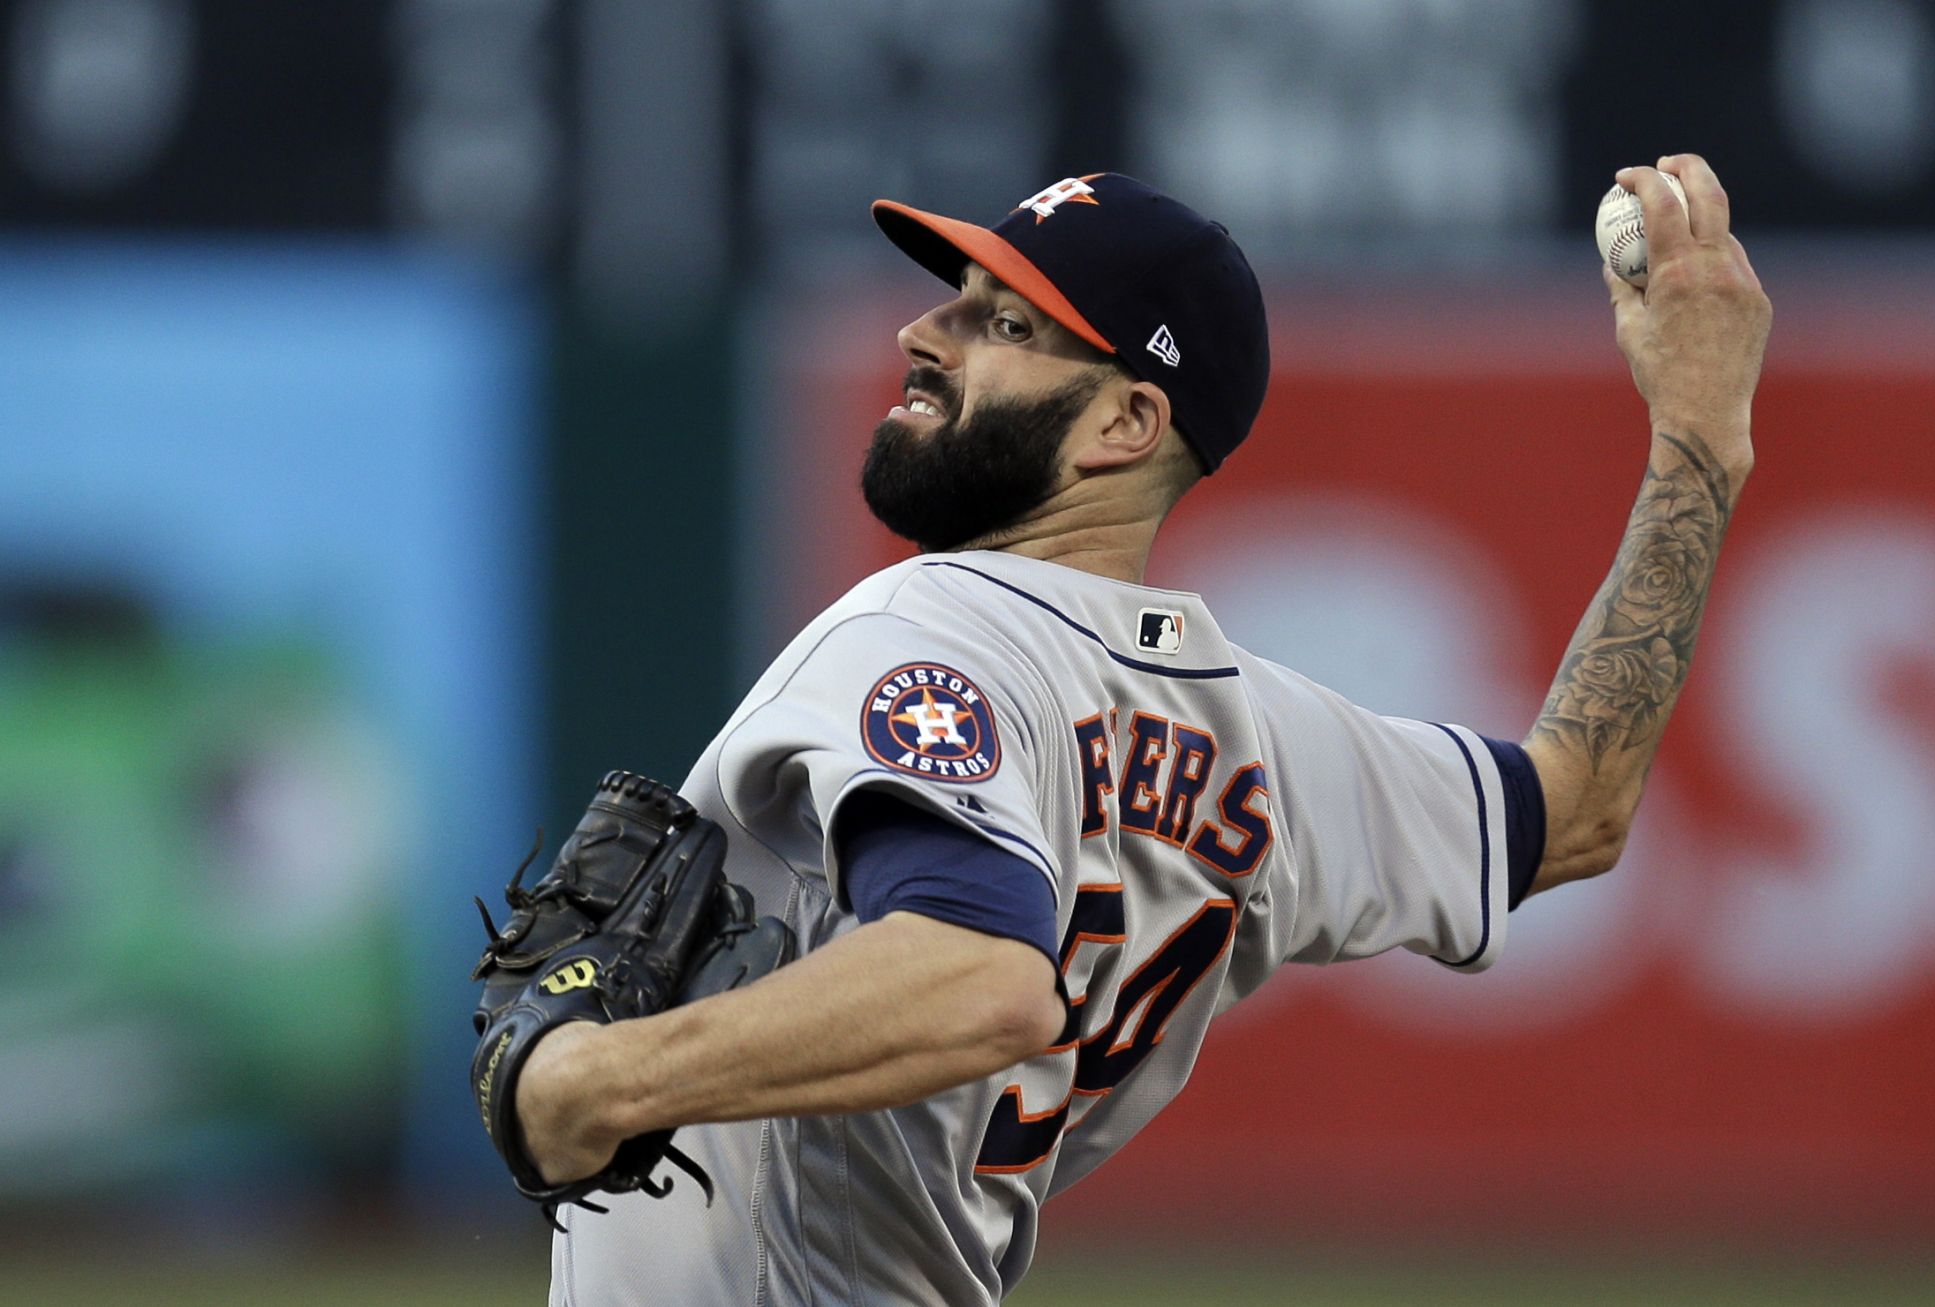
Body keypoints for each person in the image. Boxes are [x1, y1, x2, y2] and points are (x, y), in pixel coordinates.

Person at [515, 159, 1771, 1306]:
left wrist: (605, 1081)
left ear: (1123, 425)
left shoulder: (922, 628)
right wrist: (1698, 445)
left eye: (1001, 325)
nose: (921, 332)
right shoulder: (1250, 730)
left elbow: (982, 978)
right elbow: (1576, 803)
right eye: (956, 296)